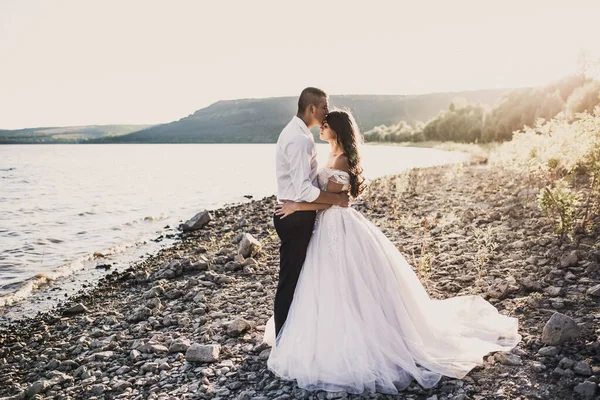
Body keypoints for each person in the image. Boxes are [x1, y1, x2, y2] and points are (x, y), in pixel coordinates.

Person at [263, 110, 521, 394]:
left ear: (336, 131)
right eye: (321, 125)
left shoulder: (340, 160)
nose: (320, 129)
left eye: (325, 126)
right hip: (328, 226)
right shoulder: (330, 156)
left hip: (336, 225)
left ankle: (358, 336)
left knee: (344, 280)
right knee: (327, 281)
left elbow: (336, 202)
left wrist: (297, 206)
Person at [273, 87, 350, 338]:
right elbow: (304, 190)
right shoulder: (300, 139)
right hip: (294, 217)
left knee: (301, 280)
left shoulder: (299, 134)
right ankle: (284, 339)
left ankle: (297, 335)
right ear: (312, 109)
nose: (327, 112)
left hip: (299, 213)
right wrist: (337, 199)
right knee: (291, 281)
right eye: (325, 107)